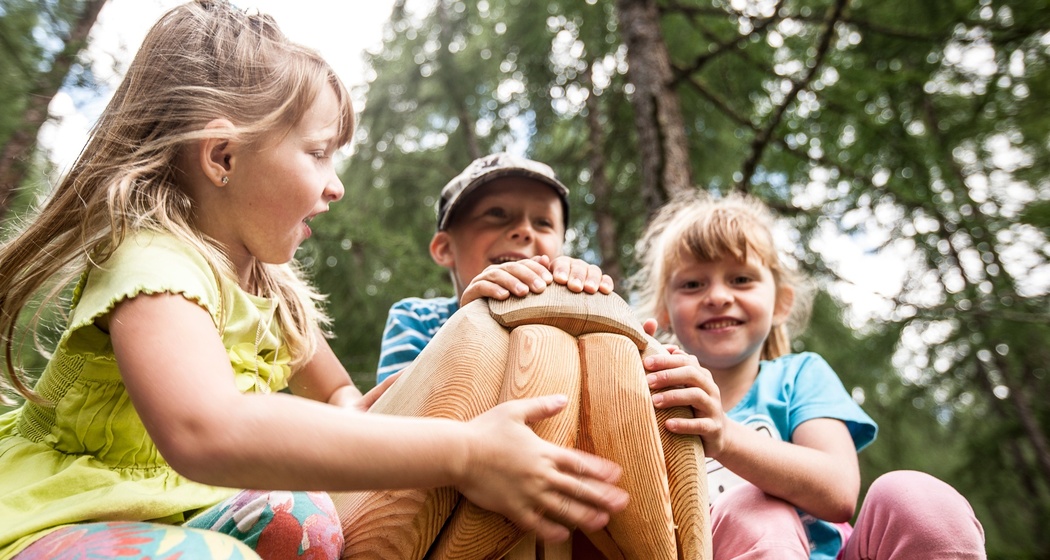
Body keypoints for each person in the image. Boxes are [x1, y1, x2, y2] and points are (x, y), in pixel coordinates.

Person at [0, 2, 629, 558]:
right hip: (68, 514)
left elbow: (344, 401)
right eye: (318, 153)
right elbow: (205, 430)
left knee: (306, 523)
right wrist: (465, 451)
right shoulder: (154, 263)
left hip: (186, 510)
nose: (335, 185)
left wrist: (450, 353)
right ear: (223, 157)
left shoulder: (272, 290)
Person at [633, 191, 986, 559]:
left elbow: (838, 492)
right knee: (754, 511)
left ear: (781, 303)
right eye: (692, 284)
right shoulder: (654, 407)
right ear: (665, 310)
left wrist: (724, 435)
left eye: (740, 279)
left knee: (915, 497)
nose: (718, 296)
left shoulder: (798, 376)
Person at [376, 152, 614, 384]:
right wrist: (472, 322)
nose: (524, 230)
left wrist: (629, 355)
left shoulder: (577, 325)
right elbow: (394, 419)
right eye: (496, 213)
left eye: (543, 222)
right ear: (446, 248)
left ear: (560, 250)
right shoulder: (417, 320)